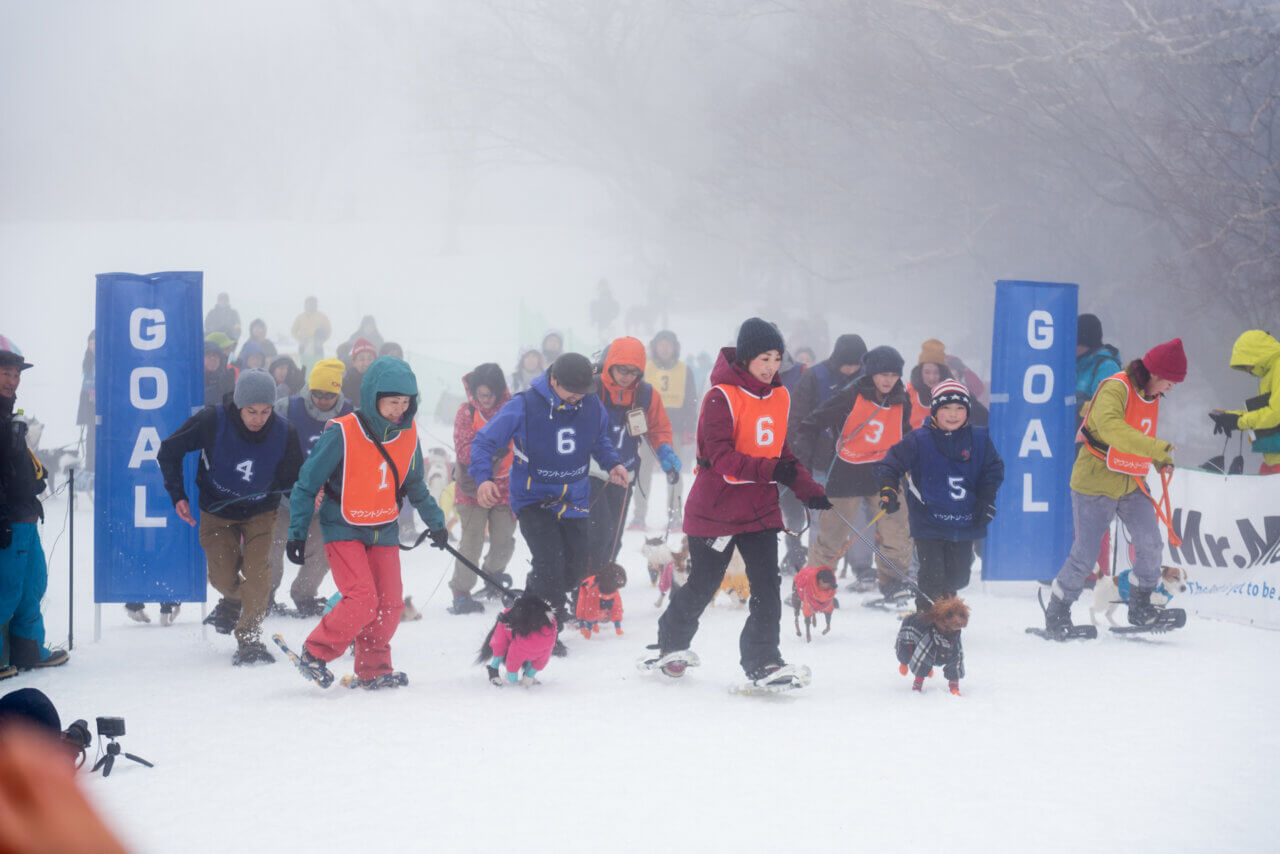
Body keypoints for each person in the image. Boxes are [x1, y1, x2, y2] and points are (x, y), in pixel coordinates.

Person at [654, 318, 829, 683]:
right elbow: (722, 459)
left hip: (759, 508)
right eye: (764, 358)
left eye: (777, 359)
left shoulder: (780, 396)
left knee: (767, 585)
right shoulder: (721, 397)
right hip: (716, 509)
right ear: (747, 357)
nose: (771, 367)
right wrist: (773, 470)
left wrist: (807, 487)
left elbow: (780, 452)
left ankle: (763, 660)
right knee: (705, 583)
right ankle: (671, 642)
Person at [283, 356, 449, 689]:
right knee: (361, 599)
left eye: (405, 402)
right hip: (342, 526)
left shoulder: (408, 432)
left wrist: (437, 523)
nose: (399, 410)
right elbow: (307, 483)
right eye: (392, 402)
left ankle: (373, 668)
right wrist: (297, 533)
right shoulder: (343, 432)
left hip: (383, 528)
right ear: (374, 396)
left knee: (390, 604)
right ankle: (315, 652)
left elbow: (414, 483)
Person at [469, 353, 628, 654]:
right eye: (571, 391)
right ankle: (545, 631)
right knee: (550, 563)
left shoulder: (591, 404)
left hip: (575, 498)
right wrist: (483, 479)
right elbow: (483, 442)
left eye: (582, 391)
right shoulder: (524, 405)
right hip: (533, 499)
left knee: (576, 566)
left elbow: (599, 440)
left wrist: (613, 463)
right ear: (553, 380)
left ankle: (526, 609)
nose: (577, 397)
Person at [157, 369, 303, 665]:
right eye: (251, 411)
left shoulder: (284, 432)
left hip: (262, 511)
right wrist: (178, 494)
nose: (259, 418)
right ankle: (234, 600)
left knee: (258, 573)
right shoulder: (212, 420)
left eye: (265, 411)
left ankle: (249, 639)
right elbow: (168, 450)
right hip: (217, 510)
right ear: (238, 405)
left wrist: (309, 491)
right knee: (222, 576)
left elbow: (295, 477)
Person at [1044, 339, 1187, 633]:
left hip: (1131, 480)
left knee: (1150, 543)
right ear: (1155, 373)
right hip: (1095, 480)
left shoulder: (1150, 396)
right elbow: (1111, 429)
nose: (1170, 389)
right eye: (1169, 382)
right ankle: (1058, 610)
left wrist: (1159, 459)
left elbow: (1139, 434)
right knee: (1086, 554)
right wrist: (1156, 447)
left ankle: (1140, 605)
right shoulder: (1116, 387)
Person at [793, 345, 916, 598]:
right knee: (831, 537)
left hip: (884, 474)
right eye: (883, 374)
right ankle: (812, 587)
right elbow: (812, 423)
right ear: (872, 373)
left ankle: (892, 583)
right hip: (846, 473)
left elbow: (905, 434)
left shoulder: (902, 399)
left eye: (894, 375)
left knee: (898, 533)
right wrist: (802, 457)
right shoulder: (850, 395)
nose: (888, 380)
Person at [874, 380, 1004, 612]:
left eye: (960, 408)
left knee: (958, 578)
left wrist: (987, 499)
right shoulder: (918, 440)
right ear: (935, 410)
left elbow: (993, 470)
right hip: (929, 521)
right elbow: (890, 465)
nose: (953, 414)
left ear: (967, 411)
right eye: (946, 408)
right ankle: (925, 617)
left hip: (965, 520)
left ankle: (945, 611)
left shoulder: (980, 439)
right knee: (932, 576)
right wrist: (889, 489)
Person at [264, 359, 352, 617]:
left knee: (325, 551)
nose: (323, 400)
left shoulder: (350, 415)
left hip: (325, 501)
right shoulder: (286, 408)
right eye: (317, 394)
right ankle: (264, 595)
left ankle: (304, 594)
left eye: (329, 395)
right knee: (271, 548)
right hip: (285, 499)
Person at [0, 350, 68, 672]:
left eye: (16, 375)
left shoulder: (9, 418)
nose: (12, 381)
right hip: (9, 519)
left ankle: (29, 652)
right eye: (6, 374)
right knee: (6, 591)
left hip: (25, 517)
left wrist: (33, 480)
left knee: (32, 587)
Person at [587, 337, 679, 572]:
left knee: (613, 537)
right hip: (591, 472)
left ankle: (603, 580)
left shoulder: (645, 395)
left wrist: (665, 451)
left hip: (624, 475)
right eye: (622, 369)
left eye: (633, 371)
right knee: (597, 531)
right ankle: (586, 580)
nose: (627, 376)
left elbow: (658, 428)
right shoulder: (592, 389)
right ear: (610, 365)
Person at [784, 333, 866, 574]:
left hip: (857, 461)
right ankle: (817, 569)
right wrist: (801, 458)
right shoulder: (814, 377)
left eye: (856, 365)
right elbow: (798, 420)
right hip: (821, 460)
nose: (851, 370)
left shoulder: (868, 378)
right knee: (821, 516)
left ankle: (862, 566)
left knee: (858, 516)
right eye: (846, 364)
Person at [448, 363, 517, 615]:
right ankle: (461, 592)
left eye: (490, 395)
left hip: (506, 487)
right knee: (471, 542)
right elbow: (463, 450)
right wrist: (492, 449)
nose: (484, 400)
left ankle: (493, 575)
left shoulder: (513, 408)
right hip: (473, 487)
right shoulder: (467, 411)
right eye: (480, 394)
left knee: (503, 541)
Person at [630, 330, 698, 531]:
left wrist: (689, 428)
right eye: (661, 344)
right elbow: (634, 398)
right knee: (643, 472)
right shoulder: (645, 368)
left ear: (675, 347)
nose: (665, 348)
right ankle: (639, 516)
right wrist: (636, 428)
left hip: (674, 430)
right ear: (655, 347)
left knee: (673, 472)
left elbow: (691, 401)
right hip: (647, 431)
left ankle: (675, 516)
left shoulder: (685, 370)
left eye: (669, 344)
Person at [1210, 330, 1280, 475]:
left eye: (1246, 363)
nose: (1247, 370)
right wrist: (1230, 416)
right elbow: (1264, 411)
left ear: (1255, 354)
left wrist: (1238, 421)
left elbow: (1275, 413)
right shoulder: (1270, 373)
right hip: (1272, 459)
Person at [1075, 314, 1122, 426]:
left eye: (1075, 343)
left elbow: (1106, 409)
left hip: (1088, 435)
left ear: (1086, 343)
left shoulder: (1107, 367)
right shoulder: (1077, 364)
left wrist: (1075, 407)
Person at [291, 296, 331, 373]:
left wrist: (322, 340)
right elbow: (293, 330)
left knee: (318, 366)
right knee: (304, 366)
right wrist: (300, 339)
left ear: (316, 305)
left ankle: (317, 379)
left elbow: (328, 330)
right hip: (304, 345)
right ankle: (305, 380)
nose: (310, 305)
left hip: (317, 345)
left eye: (312, 303)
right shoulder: (300, 317)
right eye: (308, 303)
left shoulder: (322, 317)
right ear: (305, 305)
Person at [76, 330, 94, 474]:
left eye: (95, 343)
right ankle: (89, 465)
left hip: (100, 404)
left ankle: (92, 465)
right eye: (90, 343)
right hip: (89, 403)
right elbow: (85, 384)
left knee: (94, 434)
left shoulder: (104, 360)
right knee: (90, 435)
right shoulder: (87, 360)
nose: (93, 346)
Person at [343, 337, 378, 405]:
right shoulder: (346, 383)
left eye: (370, 359)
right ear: (353, 362)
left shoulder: (381, 380)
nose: (366, 363)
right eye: (362, 359)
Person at [203, 338, 236, 406]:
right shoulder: (193, 379)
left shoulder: (226, 379)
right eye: (208, 355)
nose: (213, 358)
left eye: (216, 355)